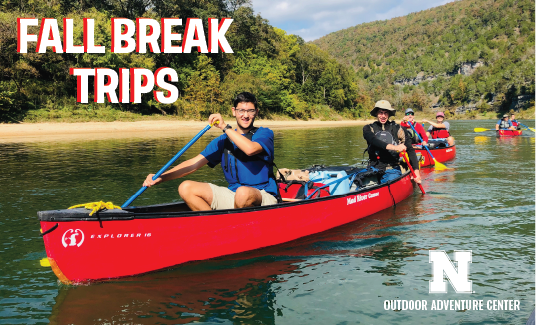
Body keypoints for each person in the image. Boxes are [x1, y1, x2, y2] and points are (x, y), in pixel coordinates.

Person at [143, 92, 278, 211]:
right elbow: (194, 163)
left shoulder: (264, 134)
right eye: (241, 110)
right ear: (234, 111)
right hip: (233, 195)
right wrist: (161, 177)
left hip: (263, 195)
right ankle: (217, 226)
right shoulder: (223, 141)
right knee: (186, 187)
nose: (246, 115)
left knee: (243, 193)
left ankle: (231, 228)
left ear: (257, 112)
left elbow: (250, 149)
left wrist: (225, 127)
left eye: (251, 111)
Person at [363, 100, 421, 184]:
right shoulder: (368, 128)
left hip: (392, 169)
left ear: (389, 114)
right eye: (380, 112)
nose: (383, 116)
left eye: (386, 113)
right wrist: (395, 147)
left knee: (389, 180)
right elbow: (373, 140)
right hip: (373, 168)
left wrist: (416, 170)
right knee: (359, 182)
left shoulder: (399, 129)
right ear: (376, 113)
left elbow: (410, 150)